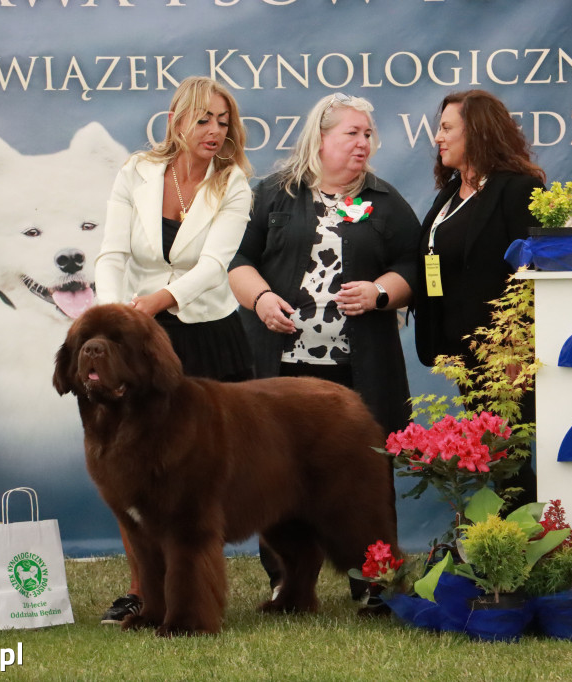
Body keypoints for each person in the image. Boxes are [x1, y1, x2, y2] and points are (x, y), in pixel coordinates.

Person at [228, 92, 420, 595]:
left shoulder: (385, 201)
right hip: (281, 372)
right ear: (320, 138)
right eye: (351, 134)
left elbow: (413, 268)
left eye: (367, 135)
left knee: (366, 476)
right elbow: (238, 262)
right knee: (272, 473)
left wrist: (381, 292)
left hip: (358, 370)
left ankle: (375, 580)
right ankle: (288, 582)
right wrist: (263, 299)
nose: (363, 144)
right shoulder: (272, 193)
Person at [93, 76, 253, 625]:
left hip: (205, 331)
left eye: (223, 121)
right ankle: (142, 588)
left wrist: (157, 301)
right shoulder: (135, 172)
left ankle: (198, 589)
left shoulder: (232, 183)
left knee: (199, 477)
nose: (214, 131)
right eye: (204, 119)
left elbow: (213, 267)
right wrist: (116, 317)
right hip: (136, 335)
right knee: (128, 462)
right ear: (177, 121)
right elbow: (111, 253)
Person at [413, 89, 546, 504]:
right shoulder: (450, 194)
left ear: (479, 133)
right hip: (465, 356)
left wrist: (515, 352)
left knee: (510, 459)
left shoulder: (518, 188)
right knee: (492, 457)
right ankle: (507, 545)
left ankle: (530, 548)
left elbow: (533, 275)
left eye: (447, 128)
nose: (438, 137)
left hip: (505, 359)